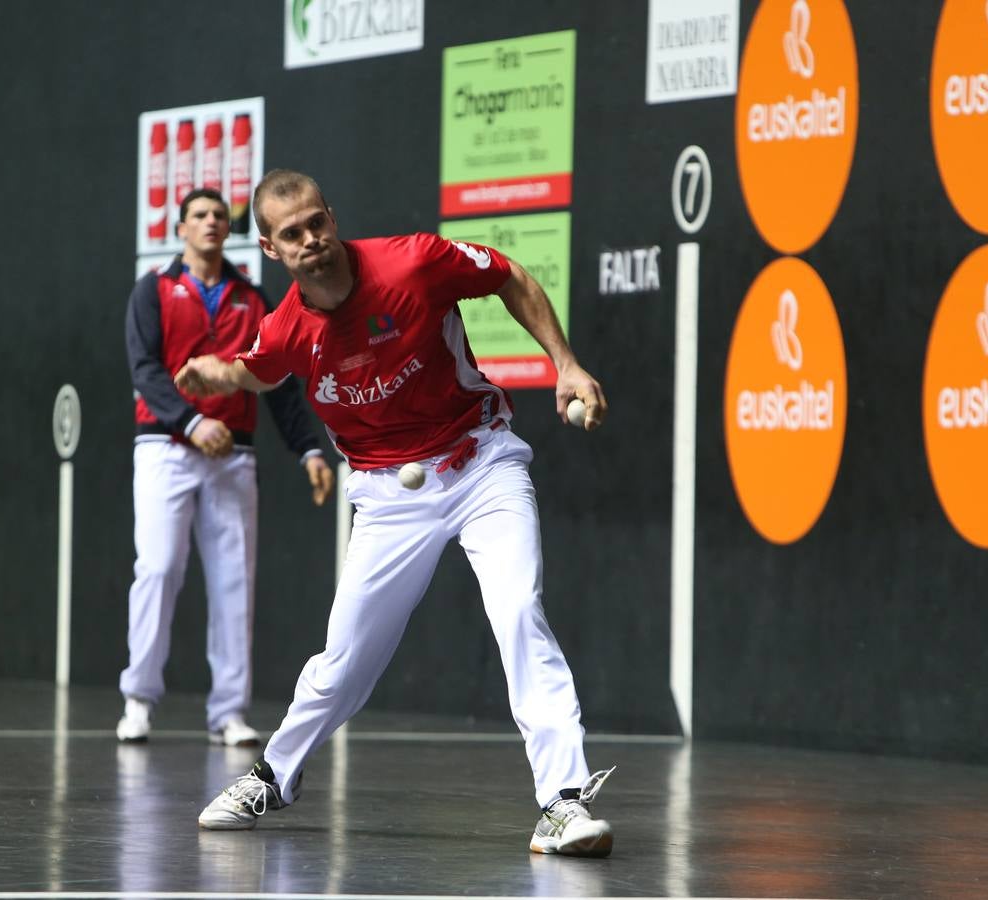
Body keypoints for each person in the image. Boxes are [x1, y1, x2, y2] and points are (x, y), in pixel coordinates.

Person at [175, 169, 616, 857]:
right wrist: (217, 375)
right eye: (293, 234)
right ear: (271, 248)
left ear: (332, 216)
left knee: (519, 611)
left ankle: (562, 801)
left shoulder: (414, 261)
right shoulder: (288, 326)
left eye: (318, 221)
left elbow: (509, 276)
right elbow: (258, 368)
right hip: (387, 501)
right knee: (344, 660)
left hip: (481, 464)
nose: (312, 239)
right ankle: (273, 775)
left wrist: (564, 361)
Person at [118, 187, 334, 747]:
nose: (212, 222)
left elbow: (278, 381)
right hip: (165, 448)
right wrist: (190, 422)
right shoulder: (154, 291)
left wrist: (308, 448)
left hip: (234, 457)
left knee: (234, 583)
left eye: (219, 215)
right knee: (159, 568)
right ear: (181, 228)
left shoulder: (253, 298)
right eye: (200, 215)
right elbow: (145, 370)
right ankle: (138, 699)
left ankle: (229, 712)